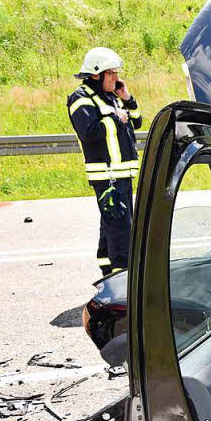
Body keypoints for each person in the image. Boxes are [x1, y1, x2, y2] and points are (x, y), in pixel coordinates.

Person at [67, 47, 142, 276]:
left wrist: (127, 99)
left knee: (112, 224)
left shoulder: (111, 97)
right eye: (111, 74)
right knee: (122, 229)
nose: (116, 78)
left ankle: (107, 270)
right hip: (106, 175)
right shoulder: (80, 98)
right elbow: (89, 133)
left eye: (116, 73)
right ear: (96, 75)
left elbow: (136, 123)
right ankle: (122, 278)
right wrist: (114, 118)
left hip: (122, 173)